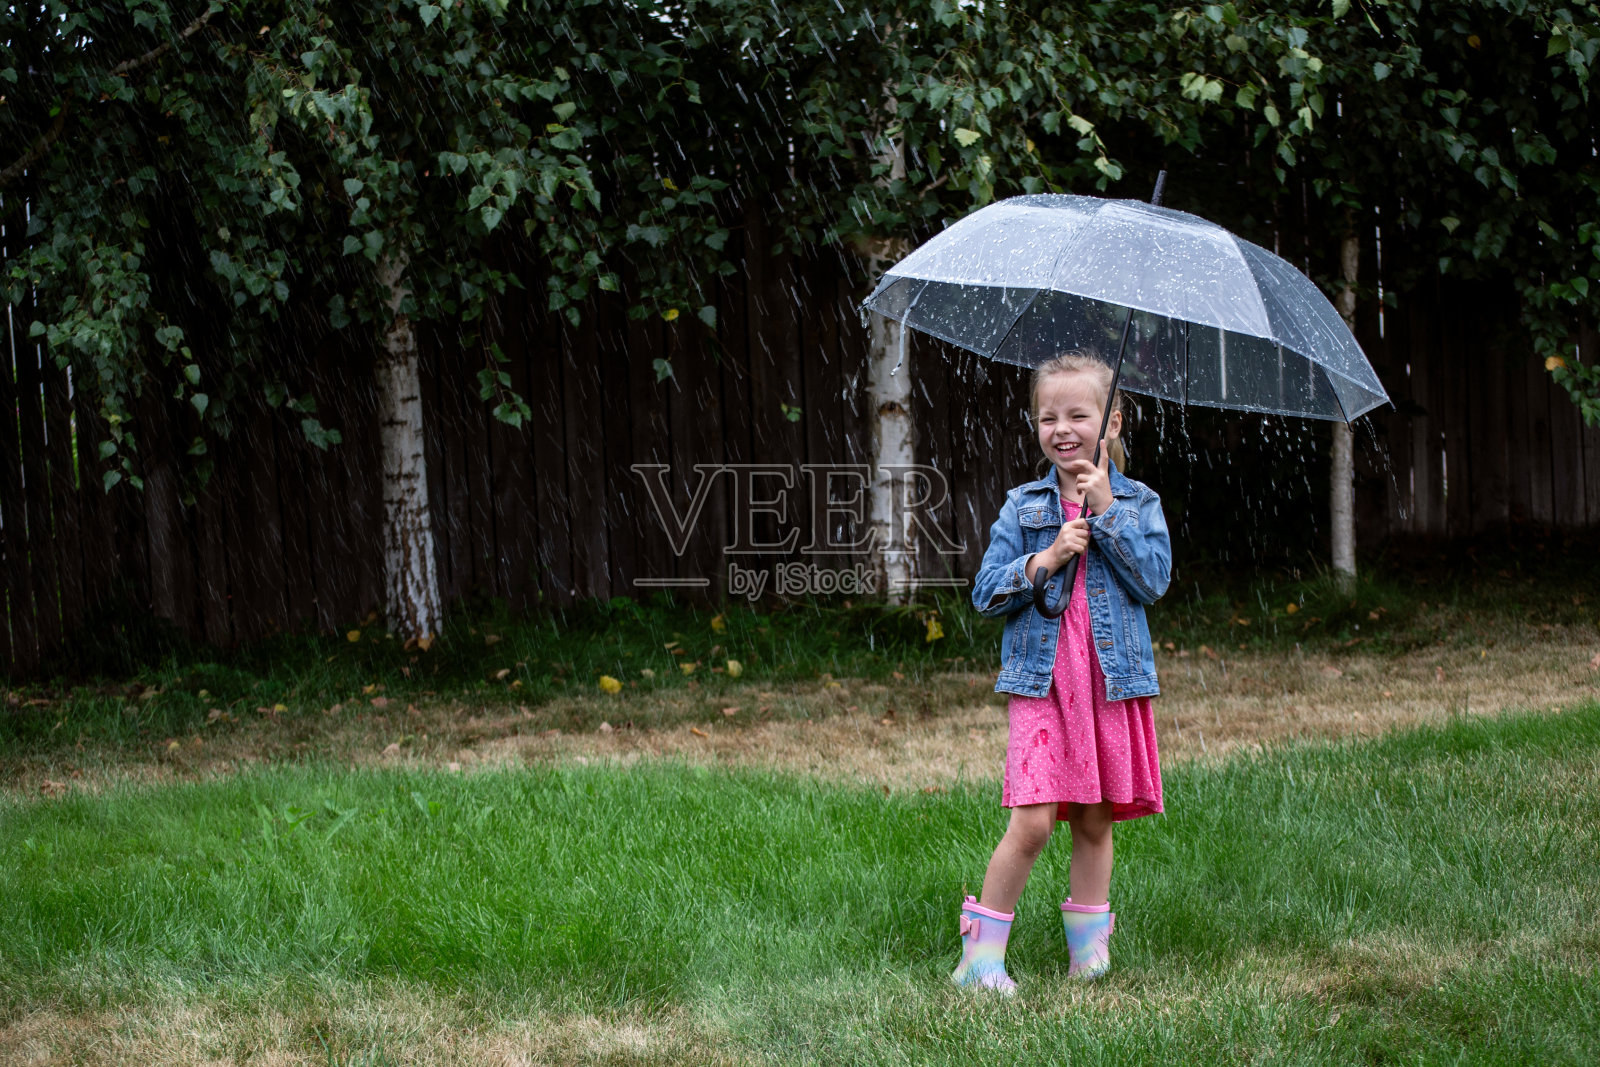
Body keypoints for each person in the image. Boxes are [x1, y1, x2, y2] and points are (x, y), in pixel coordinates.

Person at [952, 349, 1172, 993]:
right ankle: (981, 959)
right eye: (1048, 416)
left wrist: (1107, 514)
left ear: (1115, 423)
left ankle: (1089, 957)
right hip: (1045, 682)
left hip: (1107, 681)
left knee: (1097, 819)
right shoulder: (1024, 507)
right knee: (1033, 821)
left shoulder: (1137, 502)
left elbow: (1152, 582)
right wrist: (1045, 557)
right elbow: (986, 592)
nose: (1063, 428)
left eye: (1080, 414)